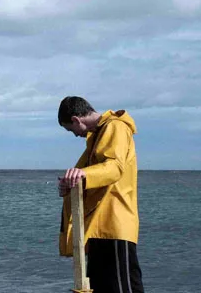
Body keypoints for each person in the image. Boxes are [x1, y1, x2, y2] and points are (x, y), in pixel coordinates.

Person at [57, 96, 144, 293]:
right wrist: (69, 186)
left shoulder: (115, 126)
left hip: (114, 224)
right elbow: (87, 173)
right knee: (101, 287)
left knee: (122, 287)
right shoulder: (98, 135)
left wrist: (83, 175)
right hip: (97, 225)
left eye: (71, 129)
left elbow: (114, 167)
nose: (75, 135)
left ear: (76, 119)